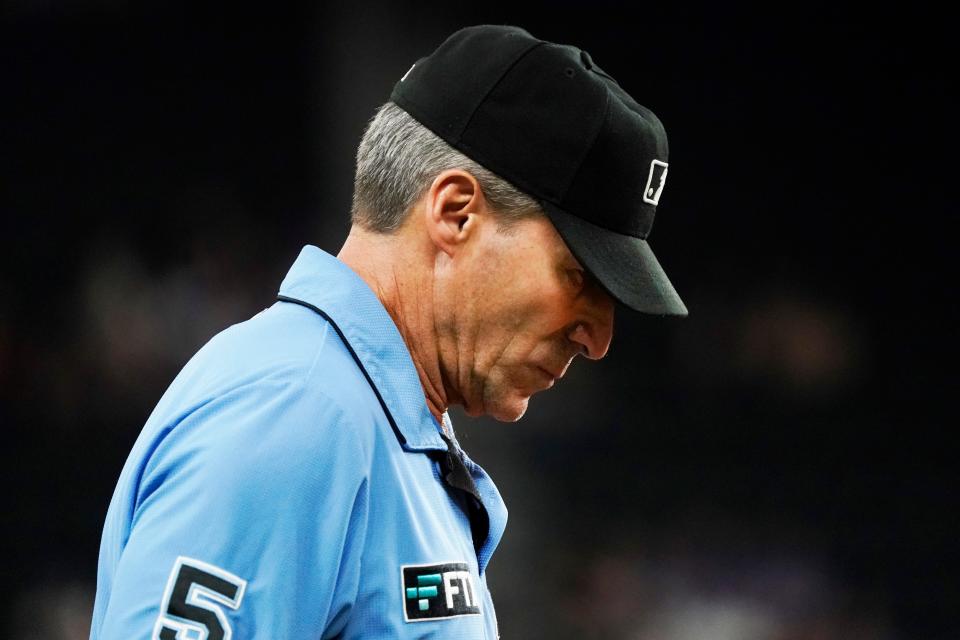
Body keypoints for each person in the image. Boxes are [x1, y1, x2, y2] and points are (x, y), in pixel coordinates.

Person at [89, 24, 687, 639]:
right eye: (579, 276)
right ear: (455, 213)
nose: (598, 338)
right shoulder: (296, 412)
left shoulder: (370, 417)